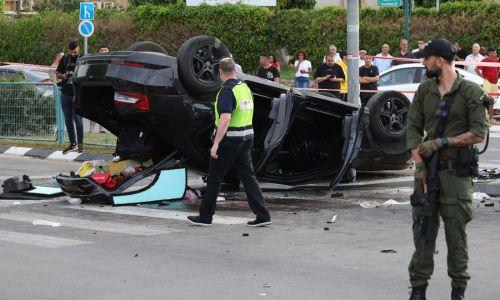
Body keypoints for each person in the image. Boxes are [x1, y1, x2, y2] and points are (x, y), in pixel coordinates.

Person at [407, 38, 488, 300]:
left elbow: (478, 133)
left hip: (456, 175)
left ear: (439, 60)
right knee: (423, 232)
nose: (423, 61)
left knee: (456, 237)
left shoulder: (470, 92)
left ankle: (458, 290)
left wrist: (441, 142)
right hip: (427, 173)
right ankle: (418, 289)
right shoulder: (424, 90)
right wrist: (419, 163)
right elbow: (412, 128)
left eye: (426, 57)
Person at [187, 57, 271, 227]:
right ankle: (263, 215)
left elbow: (225, 118)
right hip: (246, 138)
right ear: (235, 70)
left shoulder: (227, 91)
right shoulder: (244, 87)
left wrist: (216, 143)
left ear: (219, 72)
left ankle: (205, 217)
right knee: (248, 178)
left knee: (215, 178)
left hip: (230, 141)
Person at [56, 41, 85, 154]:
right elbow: (57, 73)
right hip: (65, 93)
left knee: (78, 120)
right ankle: (73, 143)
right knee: (68, 120)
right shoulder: (65, 59)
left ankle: (81, 144)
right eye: (72, 52)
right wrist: (62, 76)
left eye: (75, 52)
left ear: (79, 49)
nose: (73, 54)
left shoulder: (82, 59)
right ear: (69, 51)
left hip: (77, 94)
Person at [476, 47, 499, 123]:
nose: (495, 54)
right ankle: (485, 118)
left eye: (496, 52)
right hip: (487, 82)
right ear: (489, 53)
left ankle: (490, 118)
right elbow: (476, 69)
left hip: (495, 82)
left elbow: (498, 69)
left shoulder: (497, 60)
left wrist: (497, 76)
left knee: (492, 101)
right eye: (494, 52)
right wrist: (482, 77)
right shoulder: (484, 60)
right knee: (486, 100)